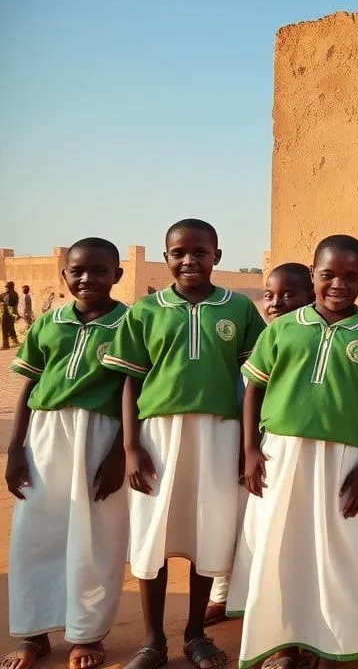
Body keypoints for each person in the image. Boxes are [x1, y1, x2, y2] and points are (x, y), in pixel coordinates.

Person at [102, 219, 265, 669]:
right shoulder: (146, 311)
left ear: (218, 255)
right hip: (158, 434)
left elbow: (250, 383)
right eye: (179, 252)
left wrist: (245, 443)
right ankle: (153, 641)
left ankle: (195, 634)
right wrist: (131, 446)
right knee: (153, 535)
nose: (189, 260)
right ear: (166, 255)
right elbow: (131, 383)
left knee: (206, 531)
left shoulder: (239, 310)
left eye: (200, 251)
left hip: (218, 432)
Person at [236, 235, 358, 669]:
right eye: (328, 275)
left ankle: (332, 646)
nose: (338, 285)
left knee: (338, 551)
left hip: (344, 459)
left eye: (350, 277)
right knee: (282, 547)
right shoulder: (284, 328)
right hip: (281, 454)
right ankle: (284, 644)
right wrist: (250, 449)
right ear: (313, 276)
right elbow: (254, 389)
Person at [3, 238, 129, 669]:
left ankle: (87, 634)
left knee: (95, 538)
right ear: (65, 275)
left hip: (101, 434)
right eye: (77, 271)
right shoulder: (48, 322)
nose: (86, 279)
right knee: (35, 534)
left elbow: (136, 391)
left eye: (98, 270)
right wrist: (15, 449)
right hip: (45, 436)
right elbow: (30, 387)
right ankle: (34, 633)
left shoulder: (130, 324)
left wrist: (119, 454)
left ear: (118, 275)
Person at [212, 263, 315, 625]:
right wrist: (247, 447)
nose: (276, 303)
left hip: (283, 451)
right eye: (269, 296)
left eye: (289, 295)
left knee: (276, 528)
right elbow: (247, 395)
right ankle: (225, 594)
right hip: (249, 446)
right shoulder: (259, 342)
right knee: (239, 523)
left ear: (311, 295)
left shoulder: (310, 341)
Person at [3, 282, 18, 349]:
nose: (6, 288)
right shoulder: (5, 294)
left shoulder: (14, 294)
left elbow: (13, 303)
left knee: (10, 327)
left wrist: (6, 304)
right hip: (5, 313)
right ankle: (5, 344)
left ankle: (15, 341)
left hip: (11, 313)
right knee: (4, 327)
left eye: (7, 287)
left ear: (10, 287)